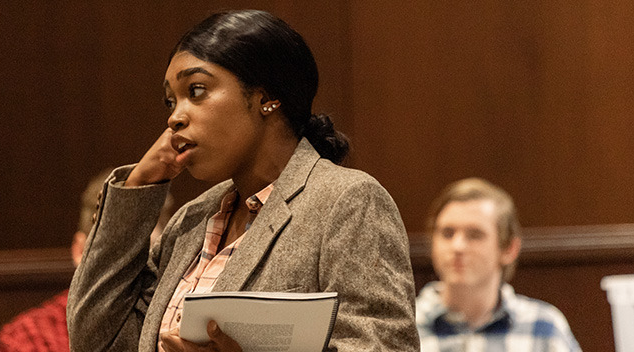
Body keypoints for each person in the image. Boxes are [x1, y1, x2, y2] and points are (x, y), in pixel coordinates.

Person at [67, 9, 419, 352]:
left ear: (266, 98)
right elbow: (97, 341)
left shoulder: (347, 201)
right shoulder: (191, 220)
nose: (175, 116)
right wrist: (138, 186)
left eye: (197, 90)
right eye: (171, 101)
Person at [0, 169, 174, 352]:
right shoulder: (26, 340)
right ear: (80, 250)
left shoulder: (173, 332)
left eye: (143, 251)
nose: (125, 267)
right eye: (112, 252)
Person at [415, 178, 581, 352]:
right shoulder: (404, 325)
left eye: (474, 235)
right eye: (447, 234)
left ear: (509, 249)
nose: (458, 246)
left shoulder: (544, 327)